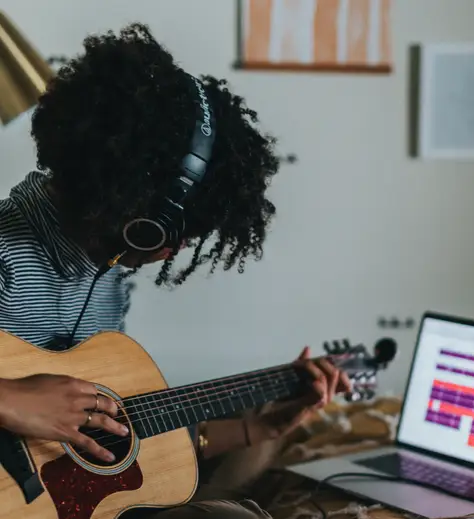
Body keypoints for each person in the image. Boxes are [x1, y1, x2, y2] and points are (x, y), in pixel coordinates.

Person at [0, 23, 350, 518]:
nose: (174, 250)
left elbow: (107, 455)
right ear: (137, 211)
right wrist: (10, 399)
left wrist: (258, 429)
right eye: (176, 233)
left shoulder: (106, 284)